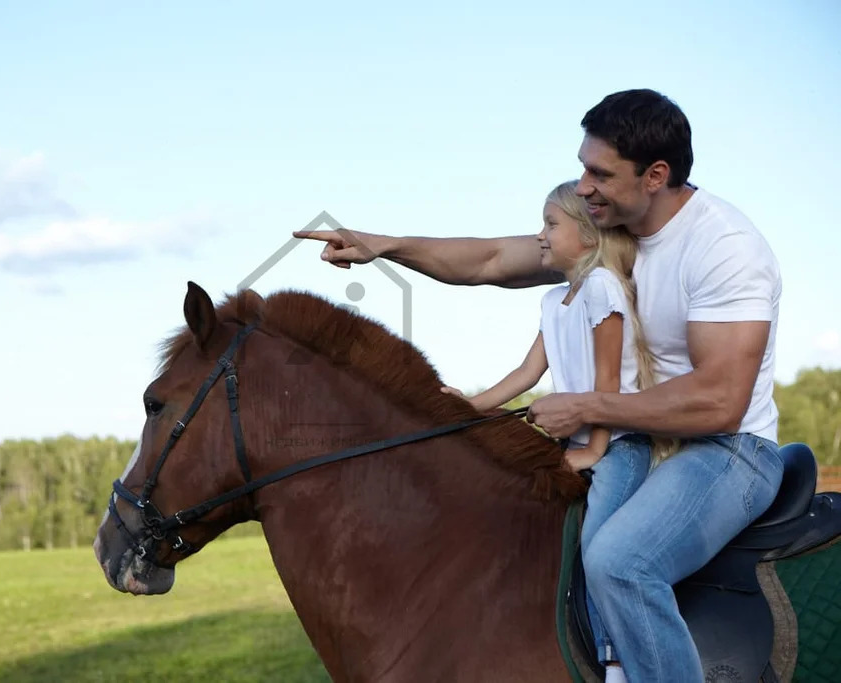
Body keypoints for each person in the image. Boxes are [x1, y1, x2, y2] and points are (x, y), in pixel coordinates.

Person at [294, 89, 784, 683]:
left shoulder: (724, 247)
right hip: (635, 436)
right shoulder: (609, 240)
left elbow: (720, 401)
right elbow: (489, 261)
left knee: (620, 563)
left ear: (656, 175)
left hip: (726, 451)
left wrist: (585, 407)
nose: (582, 186)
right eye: (583, 167)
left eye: (600, 173)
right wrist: (386, 247)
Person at [441, 180, 657, 682]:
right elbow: (527, 374)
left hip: (620, 444)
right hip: (577, 443)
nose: (540, 237)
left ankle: (618, 664)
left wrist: (596, 449)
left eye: (550, 225)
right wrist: (467, 407)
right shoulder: (553, 300)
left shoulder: (603, 287)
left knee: (603, 550)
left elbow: (607, 383)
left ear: (586, 233)